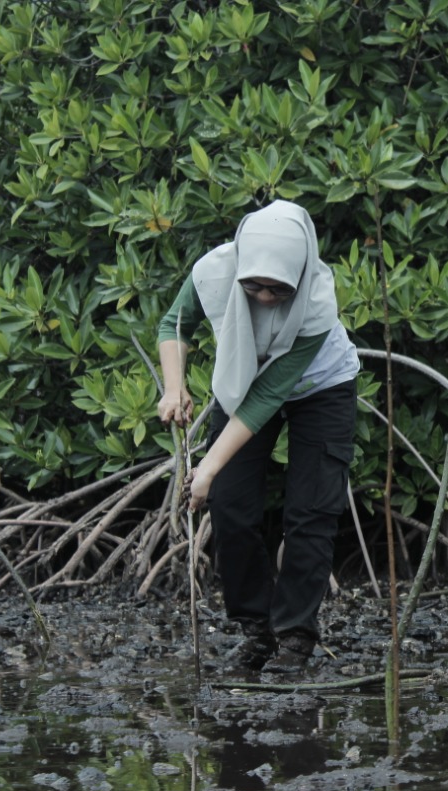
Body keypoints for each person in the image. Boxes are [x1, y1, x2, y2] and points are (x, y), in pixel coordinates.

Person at [156, 200, 360, 675]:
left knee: (311, 510)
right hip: (243, 384)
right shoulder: (213, 271)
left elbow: (269, 396)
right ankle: (257, 629)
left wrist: (207, 466)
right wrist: (174, 386)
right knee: (229, 502)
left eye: (279, 289)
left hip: (321, 388)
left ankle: (295, 637)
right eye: (254, 286)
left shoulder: (317, 299)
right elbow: (174, 324)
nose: (266, 297)